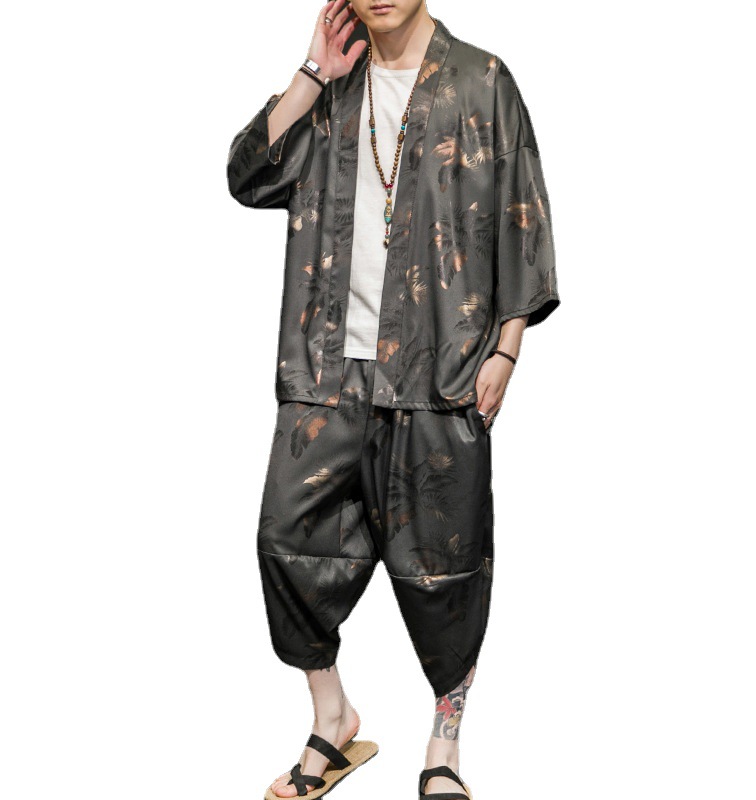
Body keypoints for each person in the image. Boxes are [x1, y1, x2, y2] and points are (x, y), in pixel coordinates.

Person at [227, 1, 560, 797]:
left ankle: (445, 741)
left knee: (443, 567)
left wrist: (507, 347)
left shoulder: (481, 81)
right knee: (287, 540)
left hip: (439, 370)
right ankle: (333, 715)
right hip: (327, 372)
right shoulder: (334, 87)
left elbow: (522, 216)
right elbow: (248, 175)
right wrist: (314, 74)